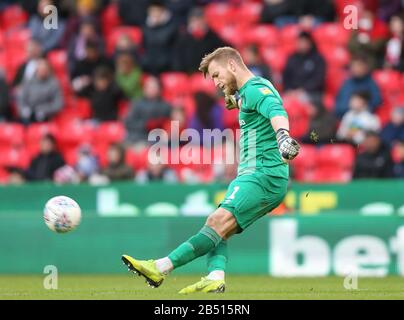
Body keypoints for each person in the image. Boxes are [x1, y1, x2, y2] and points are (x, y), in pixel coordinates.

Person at [121, 47, 300, 293]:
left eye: (217, 75)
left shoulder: (257, 88)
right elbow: (253, 101)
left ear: (233, 66)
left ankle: (160, 267)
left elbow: (276, 110)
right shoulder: (249, 92)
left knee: (217, 221)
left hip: (261, 174)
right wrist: (235, 100)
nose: (215, 82)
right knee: (218, 225)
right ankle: (215, 275)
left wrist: (283, 137)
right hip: (258, 175)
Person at [172, 6, 228, 73]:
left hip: (207, 74)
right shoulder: (183, 37)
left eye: (200, 20)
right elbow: (177, 58)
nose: (197, 23)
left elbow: (223, 52)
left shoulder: (213, 36)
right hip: (188, 74)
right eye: (194, 21)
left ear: (204, 21)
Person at [282, 31, 326, 103]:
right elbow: (286, 78)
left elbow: (318, 80)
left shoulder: (318, 59)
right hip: (292, 93)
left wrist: (302, 90)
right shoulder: (291, 58)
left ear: (310, 43)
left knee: (300, 100)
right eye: (300, 42)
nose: (301, 44)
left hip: (312, 93)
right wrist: (289, 91)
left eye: (304, 42)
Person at [17, 58, 63, 124]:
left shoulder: (53, 83)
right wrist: (23, 109)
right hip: (29, 113)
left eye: (45, 70)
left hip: (46, 115)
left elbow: (58, 104)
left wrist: (44, 110)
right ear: (36, 70)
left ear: (48, 71)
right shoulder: (29, 81)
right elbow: (21, 98)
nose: (42, 72)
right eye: (41, 69)